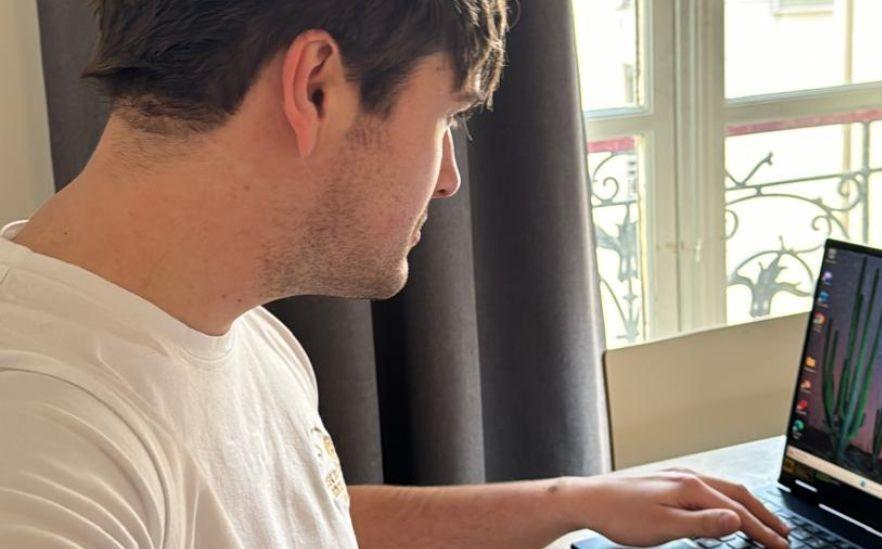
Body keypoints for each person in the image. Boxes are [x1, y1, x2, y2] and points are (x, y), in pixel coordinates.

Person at [0, 1, 791, 547]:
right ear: (316, 87)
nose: (447, 177)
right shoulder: (42, 449)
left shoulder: (239, 330)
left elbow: (304, 516)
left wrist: (571, 500)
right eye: (445, 115)